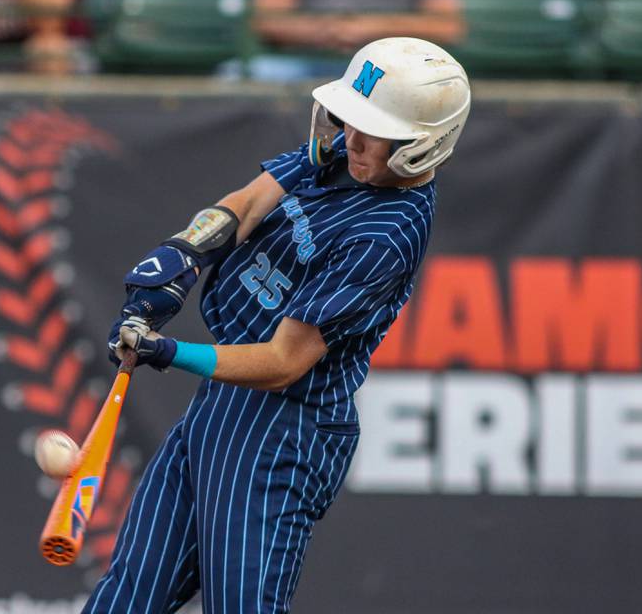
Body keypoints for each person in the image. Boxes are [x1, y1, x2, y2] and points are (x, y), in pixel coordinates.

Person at [85, 37, 471, 613]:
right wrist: (181, 258)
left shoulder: (386, 234)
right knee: (126, 598)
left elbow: (284, 362)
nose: (352, 138)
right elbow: (247, 203)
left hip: (286, 429)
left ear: (422, 146)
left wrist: (167, 352)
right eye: (350, 121)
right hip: (223, 405)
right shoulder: (346, 153)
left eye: (374, 131)